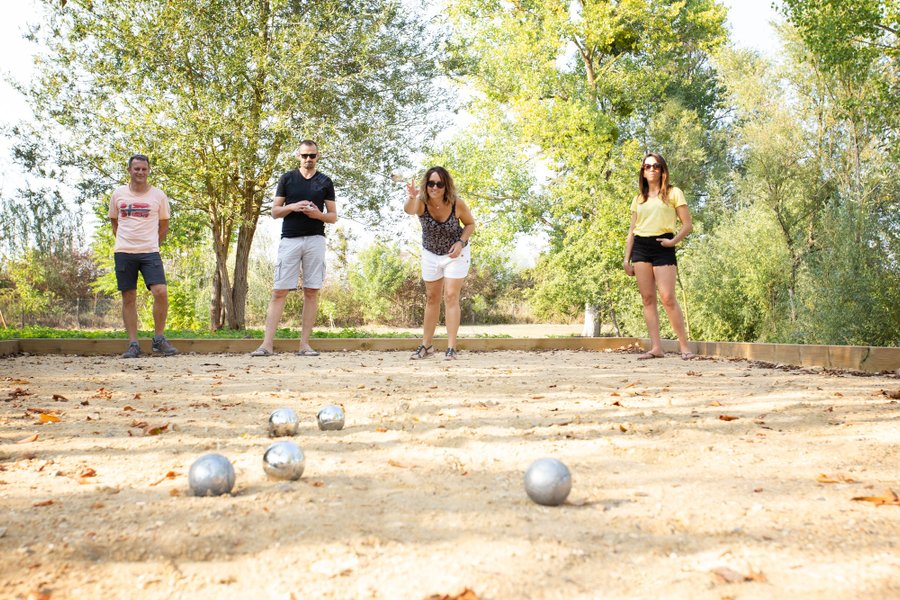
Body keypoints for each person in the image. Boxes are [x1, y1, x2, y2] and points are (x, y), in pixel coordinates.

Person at [251, 141, 337, 357]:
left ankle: (304, 345)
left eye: (312, 155)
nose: (308, 159)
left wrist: (318, 215)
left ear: (318, 156)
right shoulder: (287, 178)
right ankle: (266, 345)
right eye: (305, 155)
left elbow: (333, 216)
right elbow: (274, 211)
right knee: (279, 291)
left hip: (316, 239)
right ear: (298, 156)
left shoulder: (325, 181)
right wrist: (292, 207)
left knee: (311, 291)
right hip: (290, 240)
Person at [623, 152, 695, 360]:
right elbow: (631, 231)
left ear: (662, 170)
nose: (652, 169)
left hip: (663, 244)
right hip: (640, 247)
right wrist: (626, 259)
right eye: (647, 167)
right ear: (643, 172)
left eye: (656, 166)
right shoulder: (639, 199)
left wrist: (673, 242)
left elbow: (687, 224)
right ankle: (656, 348)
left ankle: (684, 347)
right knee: (647, 298)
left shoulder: (674, 193)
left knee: (668, 298)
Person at [108, 154, 178, 358]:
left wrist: (153, 243)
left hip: (150, 252)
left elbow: (164, 224)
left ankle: (158, 339)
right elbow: (114, 221)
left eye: (144, 169)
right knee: (128, 296)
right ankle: (133, 344)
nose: (140, 172)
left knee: (160, 291)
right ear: (129, 170)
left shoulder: (158, 196)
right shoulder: (118, 194)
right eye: (136, 169)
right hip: (124, 251)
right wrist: (125, 240)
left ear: (148, 171)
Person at [404, 166, 476, 360]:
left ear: (446, 186)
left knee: (451, 296)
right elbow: (409, 210)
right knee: (431, 298)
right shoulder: (421, 203)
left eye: (439, 184)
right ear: (425, 185)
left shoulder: (456, 204)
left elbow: (470, 224)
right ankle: (426, 345)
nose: (434, 187)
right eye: (430, 183)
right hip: (430, 254)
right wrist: (412, 196)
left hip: (455, 254)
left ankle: (451, 347)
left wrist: (461, 243)